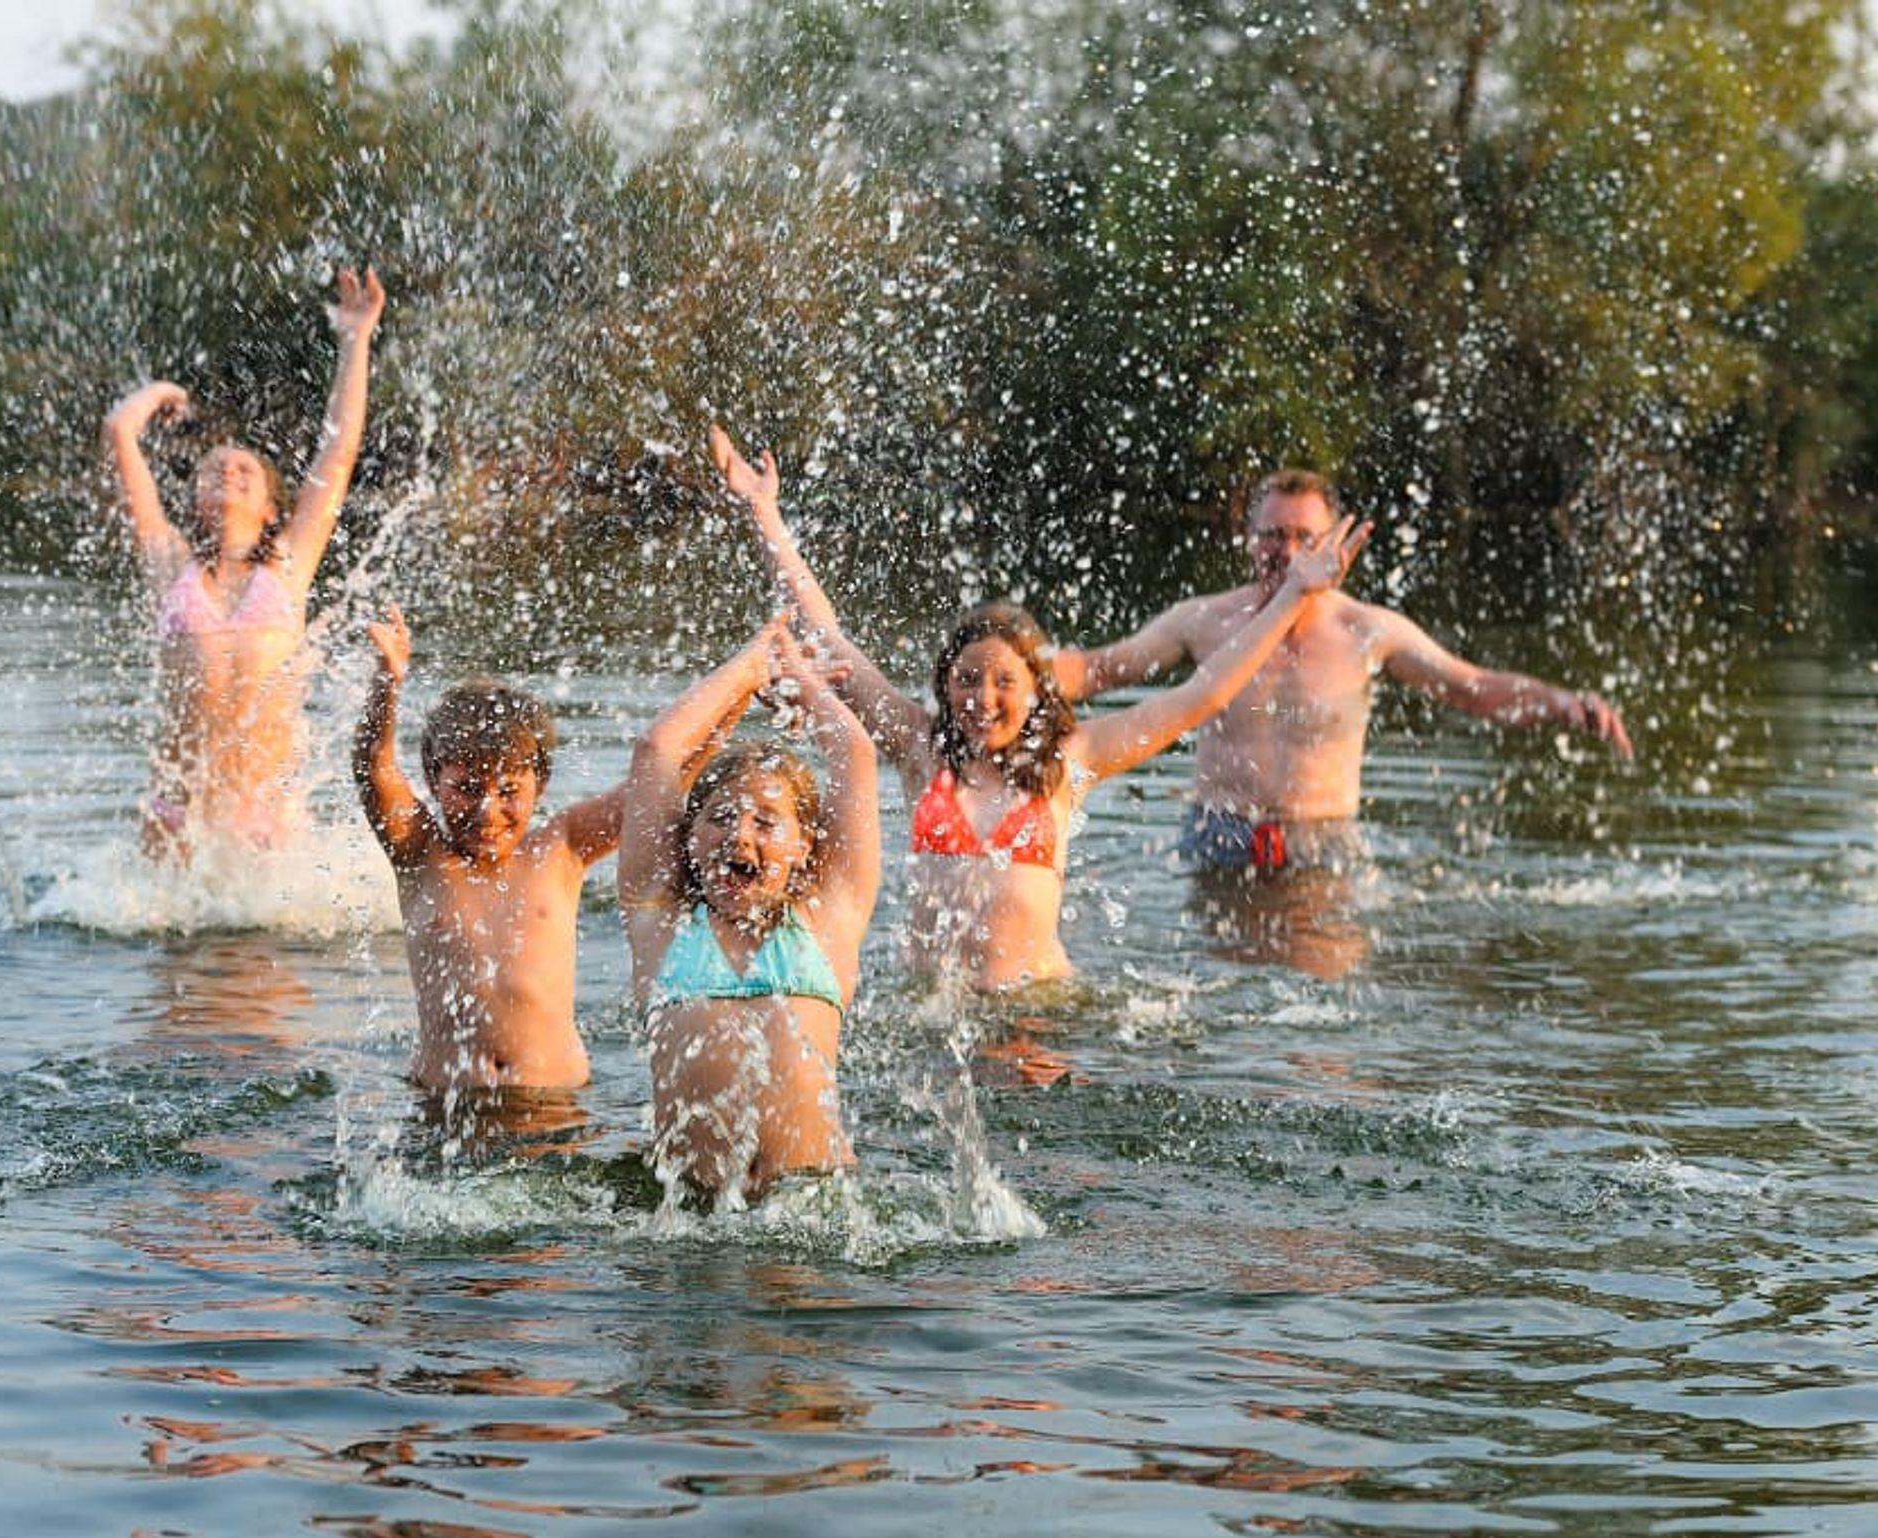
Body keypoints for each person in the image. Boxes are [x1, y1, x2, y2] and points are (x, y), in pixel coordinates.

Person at [712, 427, 1369, 991]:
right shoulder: (921, 750)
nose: (982, 699)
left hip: (1037, 1012)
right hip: (931, 1010)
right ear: (945, 685)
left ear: (1036, 690)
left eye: (1004, 681)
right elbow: (827, 635)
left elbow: (1205, 694)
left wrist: (1293, 597)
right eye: (967, 680)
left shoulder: (1069, 765)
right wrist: (764, 511)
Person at [1052, 468, 1634, 874]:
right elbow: (1099, 670)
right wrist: (1014, 667)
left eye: (1305, 537)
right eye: (1273, 535)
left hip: (1323, 840)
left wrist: (1562, 703)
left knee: (1324, 996)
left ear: (1335, 544)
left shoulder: (1367, 630)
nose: (1288, 552)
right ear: (1248, 540)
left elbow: (1472, 689)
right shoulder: (1202, 621)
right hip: (1220, 833)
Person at [103, 266, 385, 857]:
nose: (228, 470)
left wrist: (356, 339)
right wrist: (159, 393)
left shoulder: (288, 566)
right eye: (213, 468)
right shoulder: (169, 564)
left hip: (268, 818)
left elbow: (339, 452)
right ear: (194, 500)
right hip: (178, 814)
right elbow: (119, 432)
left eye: (245, 468)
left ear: (271, 507)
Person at [618, 617, 881, 1200]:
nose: (739, 834)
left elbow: (855, 752)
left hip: (813, 1204)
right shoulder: (661, 920)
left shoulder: (828, 917)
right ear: (689, 838)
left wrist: (801, 682)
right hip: (689, 1212)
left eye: (765, 821)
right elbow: (657, 751)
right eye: (719, 817)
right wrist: (753, 663)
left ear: (804, 845)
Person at [353, 603, 623, 1094]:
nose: (487, 810)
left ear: (540, 784)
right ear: (433, 779)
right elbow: (374, 768)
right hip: (443, 1107)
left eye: (509, 790)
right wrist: (386, 685)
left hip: (554, 1107)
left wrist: (747, 683)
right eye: (466, 788)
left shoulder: (562, 849)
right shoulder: (419, 853)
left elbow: (659, 781)